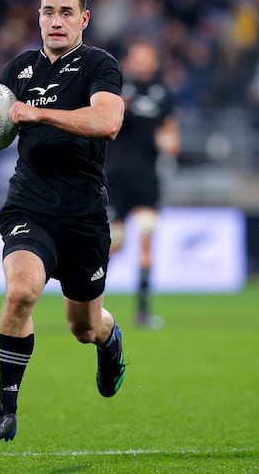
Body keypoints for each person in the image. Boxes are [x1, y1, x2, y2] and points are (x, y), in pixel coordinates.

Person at [0, 0, 127, 445]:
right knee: (22, 292)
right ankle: (5, 411)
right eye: (48, 11)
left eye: (66, 12)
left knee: (83, 327)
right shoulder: (18, 71)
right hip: (29, 203)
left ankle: (109, 340)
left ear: (84, 19)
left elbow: (108, 122)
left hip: (84, 215)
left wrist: (39, 113)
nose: (55, 21)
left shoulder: (99, 65)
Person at [104, 41, 179, 329]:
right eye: (139, 58)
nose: (144, 64)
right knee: (115, 243)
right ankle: (88, 297)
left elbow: (170, 131)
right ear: (130, 61)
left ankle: (143, 310)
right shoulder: (117, 89)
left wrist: (171, 142)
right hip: (117, 176)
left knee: (147, 238)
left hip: (147, 177)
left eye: (149, 58)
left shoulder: (163, 94)